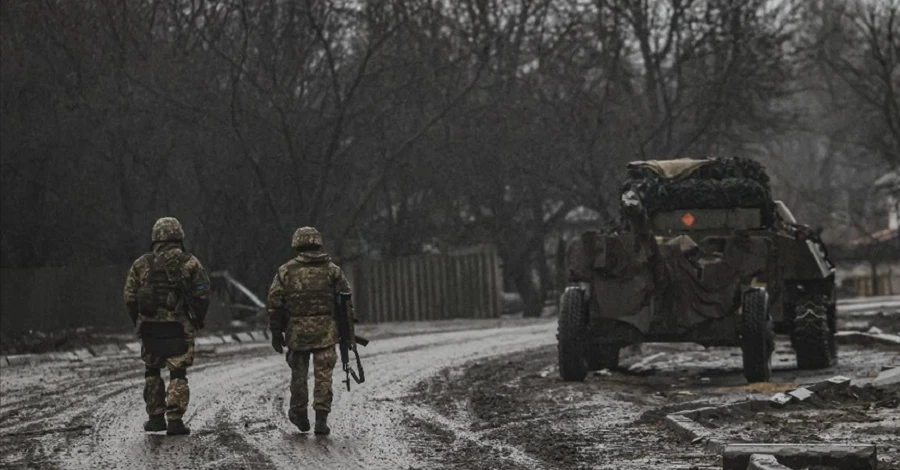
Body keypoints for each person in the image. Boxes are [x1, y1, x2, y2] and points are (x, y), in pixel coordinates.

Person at [123, 217, 210, 435]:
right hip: (179, 326)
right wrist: (197, 318)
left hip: (150, 326)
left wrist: (139, 321)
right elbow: (203, 293)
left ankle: (155, 418)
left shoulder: (141, 264)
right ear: (179, 236)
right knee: (177, 371)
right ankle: (175, 420)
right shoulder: (190, 262)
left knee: (151, 370)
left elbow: (129, 297)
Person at [267, 226, 353, 435]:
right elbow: (346, 303)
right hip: (326, 331)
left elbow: (274, 303)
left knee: (299, 375)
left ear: (297, 244)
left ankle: (299, 413)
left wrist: (276, 332)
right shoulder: (333, 270)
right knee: (324, 376)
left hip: (297, 332)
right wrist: (347, 332)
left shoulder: (285, 271)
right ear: (318, 243)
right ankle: (321, 419)